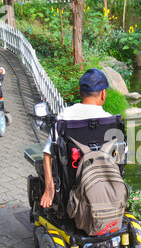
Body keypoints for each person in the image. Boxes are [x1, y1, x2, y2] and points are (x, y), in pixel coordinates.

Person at [40, 68, 112, 208]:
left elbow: (47, 154)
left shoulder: (64, 117)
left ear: (80, 93)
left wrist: (49, 189)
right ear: (103, 94)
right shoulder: (110, 121)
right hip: (104, 185)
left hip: (71, 186)